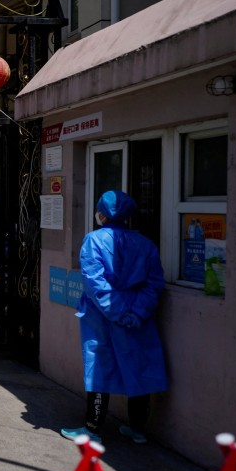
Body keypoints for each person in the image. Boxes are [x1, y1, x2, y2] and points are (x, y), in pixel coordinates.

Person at [61, 190, 167, 445]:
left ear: (101, 214)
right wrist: (135, 313)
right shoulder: (146, 244)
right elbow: (154, 284)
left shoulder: (93, 241)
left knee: (99, 368)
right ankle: (138, 430)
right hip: (137, 318)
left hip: (101, 316)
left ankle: (92, 427)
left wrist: (116, 312)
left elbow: (95, 284)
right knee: (138, 367)